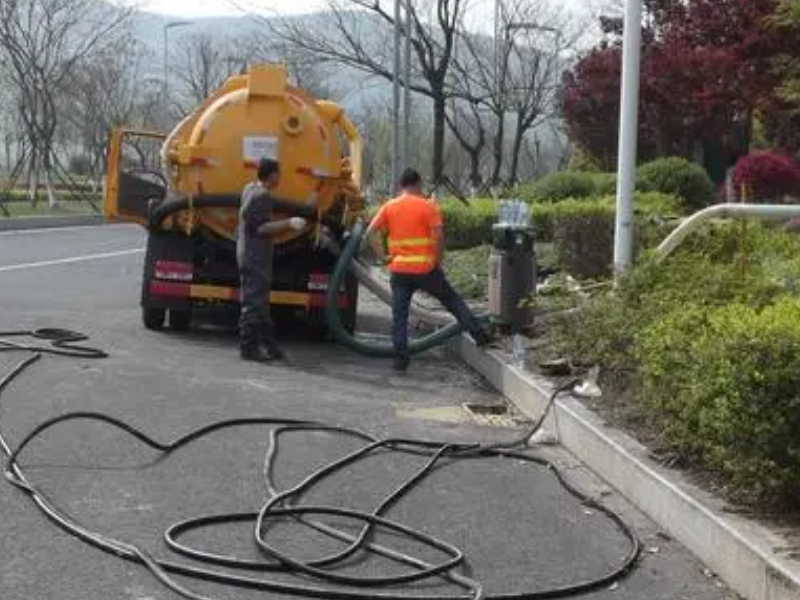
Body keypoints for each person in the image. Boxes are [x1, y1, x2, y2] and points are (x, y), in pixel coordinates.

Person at [367, 168, 491, 372]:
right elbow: (439, 237)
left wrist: (383, 256)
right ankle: (480, 336)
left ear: (401, 185)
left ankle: (400, 361)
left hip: (399, 270)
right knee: (452, 301)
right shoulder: (428, 206)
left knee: (400, 315)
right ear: (418, 184)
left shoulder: (389, 206)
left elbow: (370, 232)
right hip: (426, 268)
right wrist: (437, 261)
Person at [237, 158, 308, 362]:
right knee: (253, 303)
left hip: (247, 252)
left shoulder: (248, 189)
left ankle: (270, 347)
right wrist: (289, 223)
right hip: (255, 256)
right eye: (279, 173)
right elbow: (260, 228)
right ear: (272, 175)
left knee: (260, 303)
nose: (280, 178)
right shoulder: (262, 196)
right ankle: (248, 348)